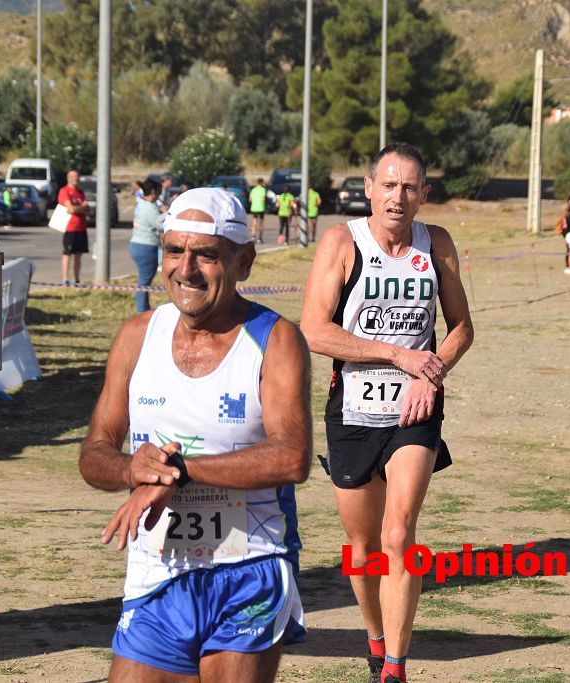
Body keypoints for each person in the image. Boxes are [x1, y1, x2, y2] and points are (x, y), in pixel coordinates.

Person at [79, 187, 312, 682]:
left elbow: (292, 456)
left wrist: (179, 473)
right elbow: (94, 453)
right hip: (157, 573)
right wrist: (130, 468)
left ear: (244, 260)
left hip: (249, 565)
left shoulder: (276, 339)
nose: (186, 269)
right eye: (174, 251)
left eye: (205, 254)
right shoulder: (137, 336)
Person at [300, 142, 474, 683]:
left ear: (424, 195)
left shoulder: (436, 244)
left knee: (399, 534)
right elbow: (314, 330)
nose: (398, 197)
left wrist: (430, 371)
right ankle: (375, 636)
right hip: (351, 407)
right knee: (363, 546)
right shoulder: (340, 243)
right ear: (370, 189)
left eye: (410, 187)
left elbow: (462, 329)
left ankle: (395, 666)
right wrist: (399, 355)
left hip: (415, 410)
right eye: (389, 185)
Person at [129, 179, 161, 313]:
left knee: (143, 280)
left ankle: (143, 308)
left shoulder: (141, 203)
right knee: (144, 282)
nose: (160, 195)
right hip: (146, 246)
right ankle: (141, 311)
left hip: (136, 244)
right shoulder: (150, 208)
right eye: (159, 192)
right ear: (153, 191)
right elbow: (161, 225)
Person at [58, 169, 89, 284]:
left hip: (81, 227)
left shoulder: (80, 192)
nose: (75, 179)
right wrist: (81, 208)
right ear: (68, 178)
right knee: (67, 253)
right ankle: (65, 279)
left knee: (78, 254)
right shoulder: (64, 191)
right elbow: (70, 209)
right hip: (70, 227)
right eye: (72, 176)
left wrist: (79, 208)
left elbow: (88, 208)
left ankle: (76, 279)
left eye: (77, 176)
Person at [249, 178, 267, 244]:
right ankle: (260, 238)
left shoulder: (253, 190)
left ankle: (253, 236)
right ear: (262, 183)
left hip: (254, 208)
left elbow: (250, 200)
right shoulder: (263, 190)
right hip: (261, 208)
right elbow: (263, 199)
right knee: (261, 223)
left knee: (254, 222)